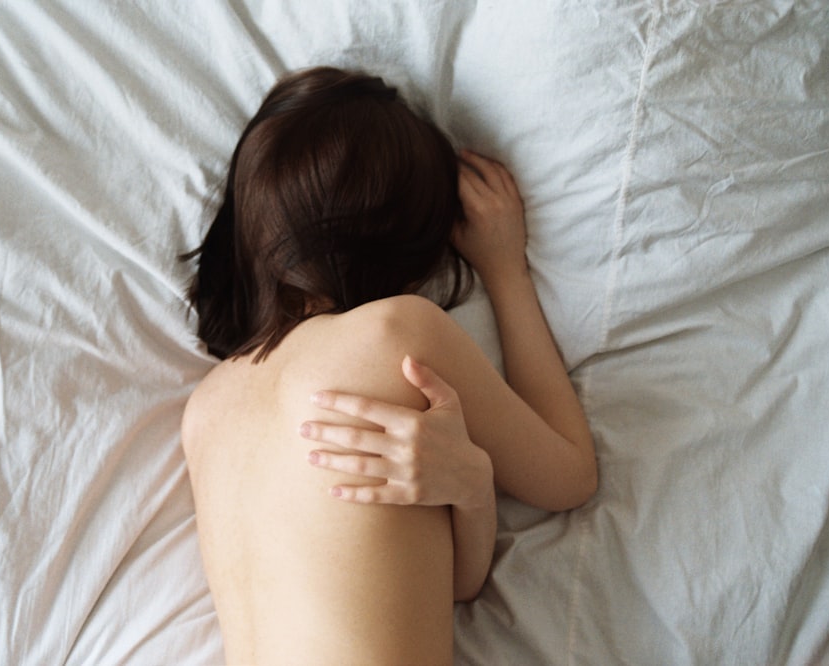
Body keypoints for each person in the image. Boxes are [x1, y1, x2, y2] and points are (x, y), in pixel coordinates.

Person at [181, 66, 597, 665]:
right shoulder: (394, 332)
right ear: (411, 244)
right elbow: (571, 475)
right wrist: (506, 271)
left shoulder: (207, 409)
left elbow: (445, 586)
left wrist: (474, 486)